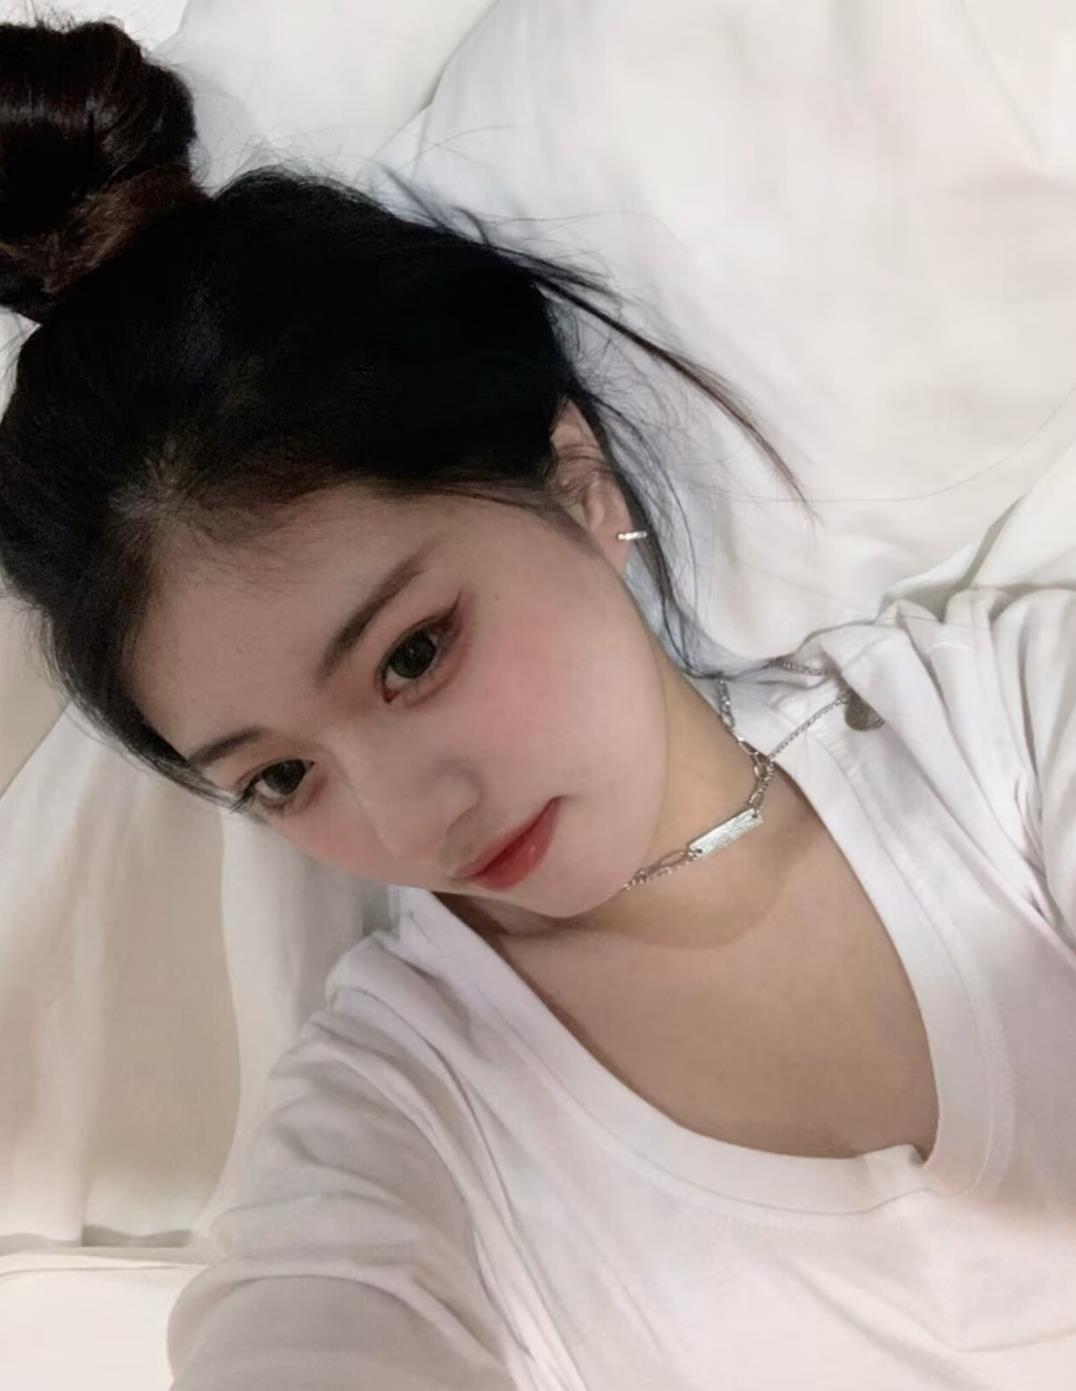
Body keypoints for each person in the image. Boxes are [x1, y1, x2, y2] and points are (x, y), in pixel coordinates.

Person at [2, 17, 1075, 1391]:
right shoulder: (401, 1141)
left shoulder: (998, 735)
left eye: (412, 655)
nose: (410, 823)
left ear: (575, 483)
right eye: (279, 777)